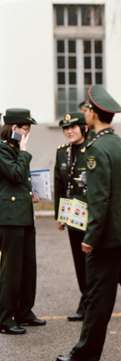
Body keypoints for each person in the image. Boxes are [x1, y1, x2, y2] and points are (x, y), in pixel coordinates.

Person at [56, 85, 121, 361]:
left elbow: (99, 199)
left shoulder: (96, 149)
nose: (84, 113)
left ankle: (86, 352)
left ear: (94, 114)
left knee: (98, 297)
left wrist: (91, 236)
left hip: (107, 238)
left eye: (86, 109)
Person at [0, 108, 46, 335]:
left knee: (29, 266)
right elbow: (15, 174)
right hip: (9, 218)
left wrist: (32, 192)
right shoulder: (2, 149)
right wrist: (24, 151)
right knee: (12, 269)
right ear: (12, 128)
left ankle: (24, 311)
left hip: (24, 215)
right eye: (23, 128)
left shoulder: (14, 149)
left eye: (28, 129)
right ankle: (5, 318)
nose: (26, 133)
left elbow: (19, 182)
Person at [53, 112, 89, 322]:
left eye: (73, 127)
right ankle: (85, 298)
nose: (69, 131)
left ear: (83, 128)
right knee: (78, 260)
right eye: (66, 128)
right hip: (71, 214)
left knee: (91, 260)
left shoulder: (91, 149)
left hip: (90, 212)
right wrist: (60, 214)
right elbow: (59, 184)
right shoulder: (62, 152)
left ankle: (90, 302)